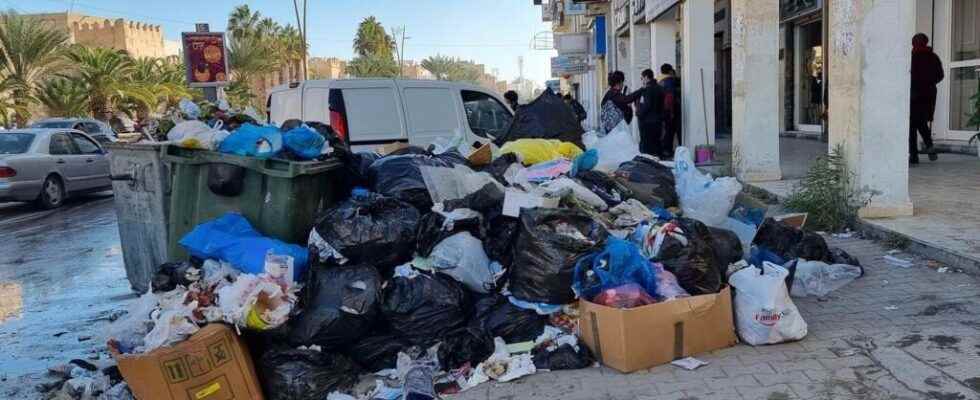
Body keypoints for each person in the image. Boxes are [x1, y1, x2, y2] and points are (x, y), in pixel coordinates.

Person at [910, 33, 943, 164]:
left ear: (914, 43)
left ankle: (913, 156)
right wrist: (929, 83)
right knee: (921, 122)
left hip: (914, 95)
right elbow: (940, 75)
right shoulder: (933, 57)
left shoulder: (913, 57)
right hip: (929, 94)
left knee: (912, 125)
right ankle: (929, 146)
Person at [635, 69, 666, 157]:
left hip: (647, 122)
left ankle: (648, 165)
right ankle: (659, 162)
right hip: (658, 121)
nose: (642, 80)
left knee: (647, 146)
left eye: (642, 78)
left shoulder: (647, 89)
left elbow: (646, 105)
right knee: (657, 143)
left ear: (646, 77)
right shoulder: (660, 88)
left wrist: (639, 114)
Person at [658, 64, 681, 158]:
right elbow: (670, 98)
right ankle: (669, 151)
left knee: (667, 131)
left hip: (663, 111)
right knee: (671, 131)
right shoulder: (670, 81)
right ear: (671, 71)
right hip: (671, 111)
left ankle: (667, 150)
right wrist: (671, 112)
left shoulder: (660, 81)